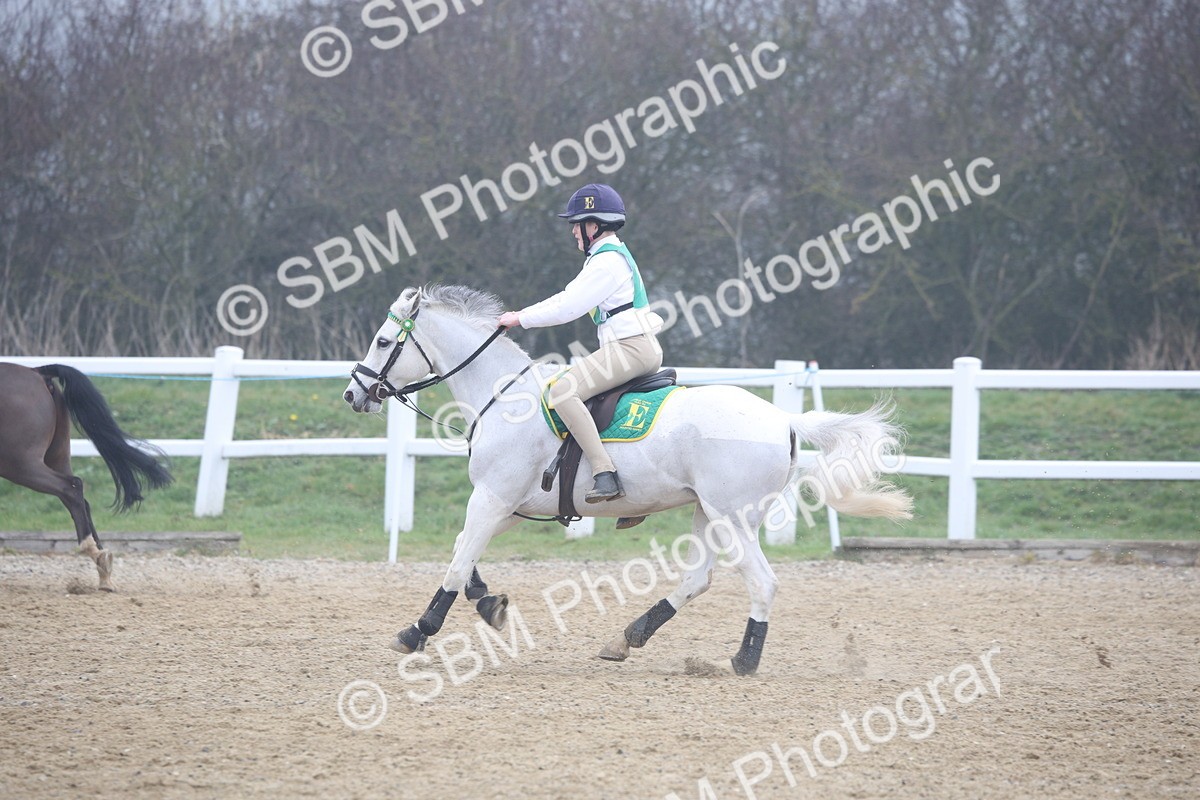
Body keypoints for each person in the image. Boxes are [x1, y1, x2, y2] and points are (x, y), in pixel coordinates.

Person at [498, 183, 665, 502]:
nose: (573, 231)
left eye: (577, 224)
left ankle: (604, 472)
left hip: (630, 349)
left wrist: (518, 319)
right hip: (631, 347)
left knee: (562, 392)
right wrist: (520, 314)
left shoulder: (607, 262)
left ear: (595, 225)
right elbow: (566, 297)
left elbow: (567, 308)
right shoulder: (605, 258)